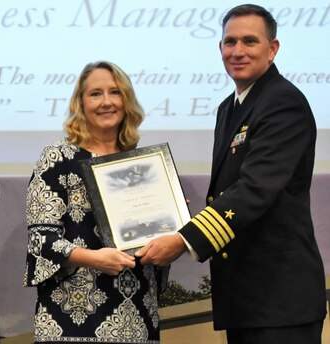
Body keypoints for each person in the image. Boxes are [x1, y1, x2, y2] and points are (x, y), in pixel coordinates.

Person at [135, 4, 325, 343]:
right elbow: (227, 190)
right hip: (246, 297)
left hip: (279, 300)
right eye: (229, 42)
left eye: (249, 41)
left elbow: (254, 190)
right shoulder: (230, 107)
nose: (237, 51)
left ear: (273, 49)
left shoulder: (282, 102)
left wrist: (183, 239)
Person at [25, 61, 167, 343]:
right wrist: (93, 259)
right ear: (81, 103)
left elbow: (157, 246)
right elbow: (40, 239)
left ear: (126, 101)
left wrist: (169, 217)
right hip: (69, 318)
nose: (106, 102)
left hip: (135, 315)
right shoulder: (57, 159)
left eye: (115, 92)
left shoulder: (143, 165)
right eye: (95, 94)